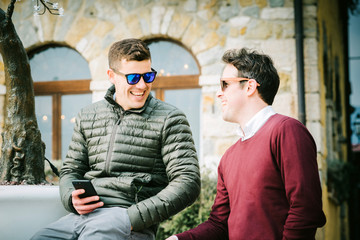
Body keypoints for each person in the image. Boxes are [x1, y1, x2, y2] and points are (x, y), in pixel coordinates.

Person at [31, 38, 201, 240]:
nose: (142, 85)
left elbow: (188, 181)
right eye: (133, 78)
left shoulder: (170, 118)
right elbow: (71, 170)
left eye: (148, 76)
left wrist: (132, 218)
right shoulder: (88, 115)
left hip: (129, 221)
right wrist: (71, 197)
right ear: (111, 75)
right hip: (80, 217)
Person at [167, 48, 326, 240]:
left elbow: (306, 210)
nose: (219, 93)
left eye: (225, 84)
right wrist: (177, 239)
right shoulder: (228, 157)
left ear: (250, 87)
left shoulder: (286, 130)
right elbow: (219, 223)